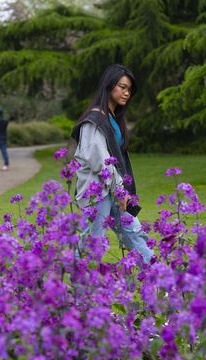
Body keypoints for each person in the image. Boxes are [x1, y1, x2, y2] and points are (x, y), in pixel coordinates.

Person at [71, 64, 154, 263]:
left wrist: (120, 190)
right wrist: (120, 190)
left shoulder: (112, 119)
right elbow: (99, 160)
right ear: (108, 86)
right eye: (122, 87)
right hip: (98, 192)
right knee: (92, 241)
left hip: (115, 190)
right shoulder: (95, 120)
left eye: (129, 89)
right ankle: (81, 285)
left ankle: (158, 277)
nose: (127, 93)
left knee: (134, 231)